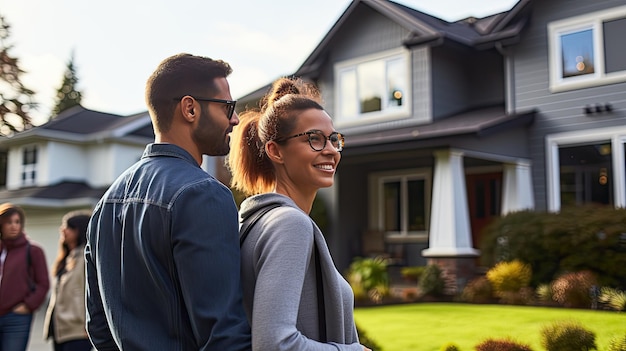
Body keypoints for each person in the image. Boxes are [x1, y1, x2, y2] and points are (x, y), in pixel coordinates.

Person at [85, 53, 251, 350]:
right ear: (189, 108)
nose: (235, 118)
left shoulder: (106, 202)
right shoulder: (203, 194)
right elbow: (224, 336)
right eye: (227, 106)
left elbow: (98, 326)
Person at [227, 77, 371, 351]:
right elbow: (273, 344)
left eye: (333, 139)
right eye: (314, 139)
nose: (330, 150)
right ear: (274, 150)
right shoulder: (289, 224)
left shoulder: (259, 221)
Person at [0, 203, 50, 351]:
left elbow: (43, 284)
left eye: (17, 222)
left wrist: (28, 305)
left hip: (16, 318)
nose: (14, 226)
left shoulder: (33, 251)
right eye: (9, 222)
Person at [43, 210, 92, 351]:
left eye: (68, 227)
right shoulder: (66, 258)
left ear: (79, 231)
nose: (62, 229)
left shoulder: (86, 257)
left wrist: (88, 324)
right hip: (60, 331)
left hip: (78, 331)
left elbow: (91, 292)